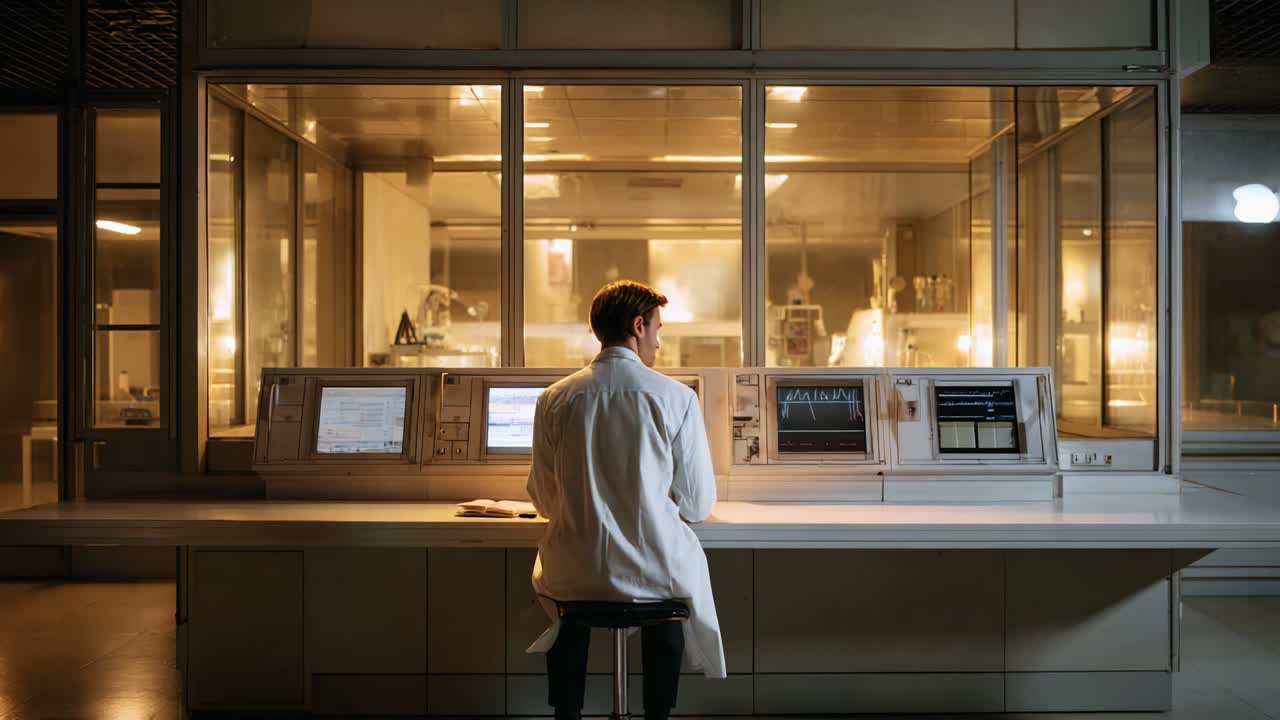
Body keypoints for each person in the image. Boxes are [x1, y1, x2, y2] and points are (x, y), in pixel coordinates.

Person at [525, 280, 725, 720]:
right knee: (667, 595)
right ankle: (657, 714)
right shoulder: (677, 398)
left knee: (568, 606)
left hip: (575, 576)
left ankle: (567, 713)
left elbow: (544, 500)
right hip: (653, 575)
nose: (658, 341)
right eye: (657, 329)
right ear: (638, 326)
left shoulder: (553, 399)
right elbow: (696, 504)